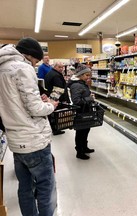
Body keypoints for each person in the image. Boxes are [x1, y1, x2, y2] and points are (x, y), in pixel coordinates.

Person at [0, 37, 58, 216]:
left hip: (16, 141)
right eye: (35, 61)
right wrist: (50, 106)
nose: (35, 65)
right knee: (45, 188)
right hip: (34, 140)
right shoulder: (23, 68)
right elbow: (35, 108)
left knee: (24, 187)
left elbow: (14, 102)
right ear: (29, 56)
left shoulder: (2, 68)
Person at [68, 64, 95, 160]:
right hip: (81, 112)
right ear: (80, 75)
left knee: (86, 130)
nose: (88, 77)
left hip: (85, 111)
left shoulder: (82, 84)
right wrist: (89, 99)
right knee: (81, 132)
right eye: (86, 75)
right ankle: (79, 151)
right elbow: (76, 101)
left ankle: (84, 147)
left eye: (89, 75)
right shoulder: (76, 85)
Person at [45, 61, 70, 135]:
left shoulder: (50, 73)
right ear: (55, 67)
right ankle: (55, 129)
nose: (61, 69)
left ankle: (52, 127)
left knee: (51, 113)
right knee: (56, 114)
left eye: (62, 67)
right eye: (59, 67)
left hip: (50, 96)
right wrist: (60, 100)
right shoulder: (56, 75)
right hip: (55, 97)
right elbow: (58, 89)